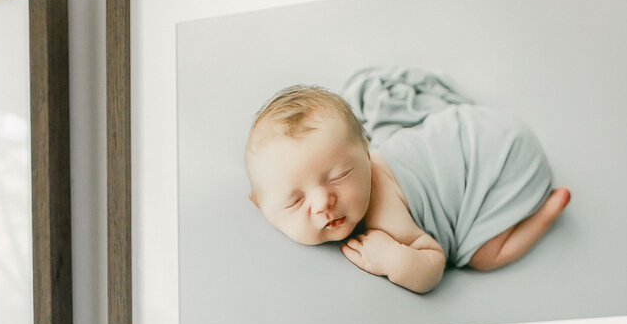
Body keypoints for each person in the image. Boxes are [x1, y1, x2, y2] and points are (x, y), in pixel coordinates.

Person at [244, 75, 570, 294]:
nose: (323, 203)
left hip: (496, 157)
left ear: (366, 152)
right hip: (467, 133)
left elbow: (434, 263)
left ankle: (547, 211)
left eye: (340, 175)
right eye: (295, 201)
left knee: (483, 256)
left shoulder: (386, 216)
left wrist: (397, 260)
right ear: (259, 204)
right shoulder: (314, 185)